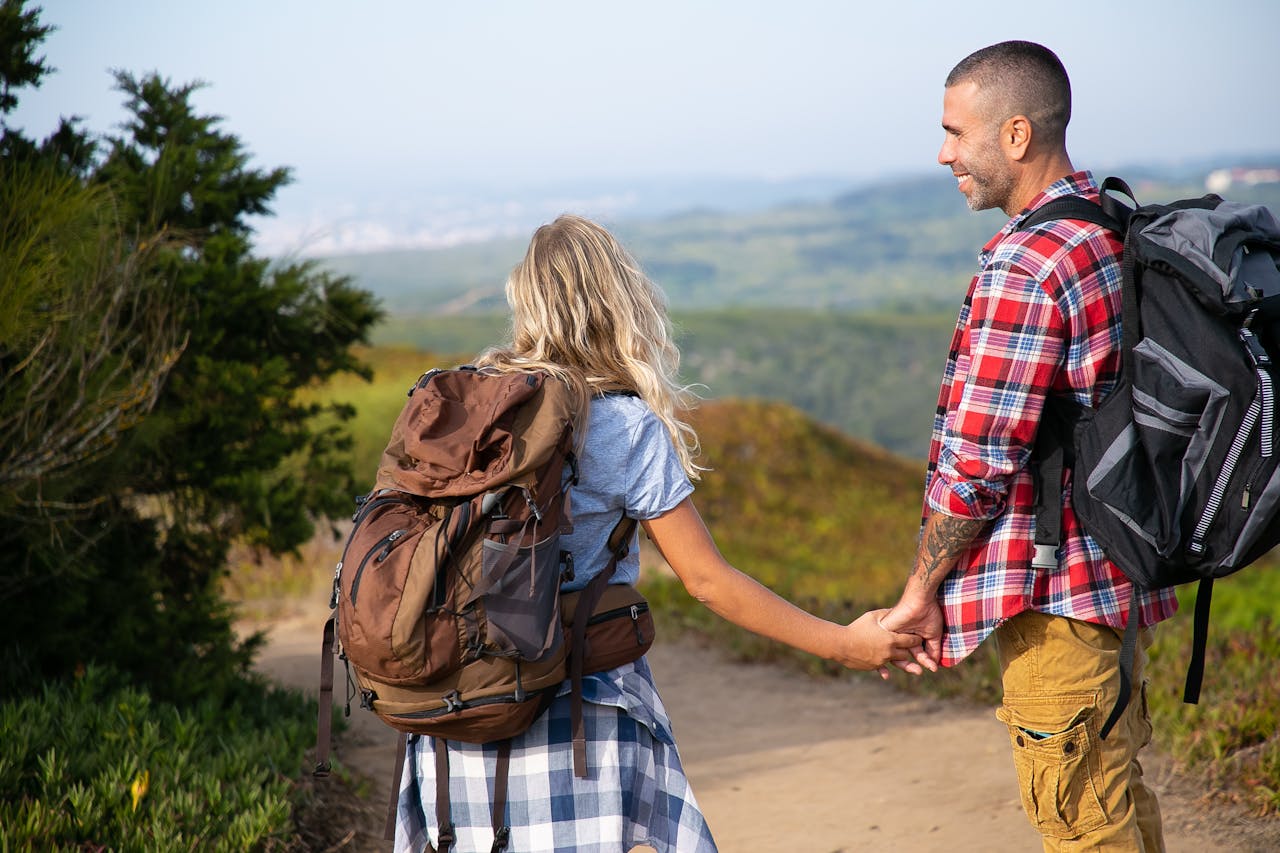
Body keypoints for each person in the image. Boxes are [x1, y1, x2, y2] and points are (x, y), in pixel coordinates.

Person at [393, 213, 923, 853]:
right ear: (617, 300)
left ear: (526, 301)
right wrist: (844, 643)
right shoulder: (622, 424)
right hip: (577, 711)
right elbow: (706, 581)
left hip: (453, 712)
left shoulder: (465, 410)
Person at [879, 41, 1179, 852]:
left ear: (1016, 135)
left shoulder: (1030, 262)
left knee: (1080, 821)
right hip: (1115, 577)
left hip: (1057, 598)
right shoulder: (1106, 224)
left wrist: (919, 590)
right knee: (1115, 795)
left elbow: (977, 464)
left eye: (955, 131)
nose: (944, 153)